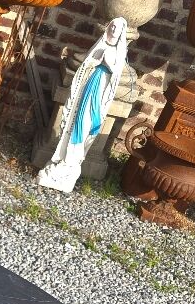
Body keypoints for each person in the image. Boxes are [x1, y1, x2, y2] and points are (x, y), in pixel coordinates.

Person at [38, 16, 129, 194]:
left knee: (84, 124)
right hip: (85, 90)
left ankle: (69, 163)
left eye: (116, 29)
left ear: (121, 34)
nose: (112, 30)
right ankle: (62, 161)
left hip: (97, 93)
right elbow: (86, 64)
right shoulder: (100, 45)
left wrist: (107, 61)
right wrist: (96, 59)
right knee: (73, 122)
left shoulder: (118, 53)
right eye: (111, 26)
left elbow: (115, 72)